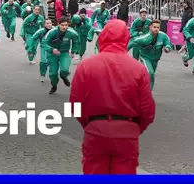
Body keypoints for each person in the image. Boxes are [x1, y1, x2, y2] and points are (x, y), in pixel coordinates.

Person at [70, 19, 156, 174]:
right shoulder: (138, 68)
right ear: (126, 38)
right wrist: (134, 128)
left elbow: (74, 103)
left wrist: (89, 124)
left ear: (102, 37)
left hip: (95, 128)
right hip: (127, 130)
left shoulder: (85, 66)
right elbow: (148, 109)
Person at [127, 19, 172, 90]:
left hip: (155, 60)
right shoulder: (145, 38)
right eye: (154, 27)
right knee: (151, 73)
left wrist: (167, 48)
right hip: (145, 58)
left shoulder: (163, 36)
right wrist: (123, 51)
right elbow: (133, 42)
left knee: (149, 76)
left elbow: (168, 43)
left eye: (158, 27)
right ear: (150, 27)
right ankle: (148, 93)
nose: (156, 29)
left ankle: (141, 88)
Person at [42, 16, 79, 94]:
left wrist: (73, 51)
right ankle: (54, 86)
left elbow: (76, 41)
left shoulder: (72, 33)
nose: (64, 27)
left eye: (66, 25)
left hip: (64, 53)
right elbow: (44, 42)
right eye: (62, 25)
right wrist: (52, 49)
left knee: (65, 70)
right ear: (58, 24)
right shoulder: (52, 31)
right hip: (52, 54)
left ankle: (63, 76)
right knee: (53, 74)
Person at [27, 18, 53, 82]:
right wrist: (30, 49)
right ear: (44, 24)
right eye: (47, 23)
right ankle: (42, 75)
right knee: (44, 61)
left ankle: (53, 75)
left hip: (53, 48)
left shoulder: (55, 30)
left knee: (53, 62)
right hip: (43, 48)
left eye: (50, 23)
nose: (49, 24)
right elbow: (33, 39)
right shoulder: (40, 31)